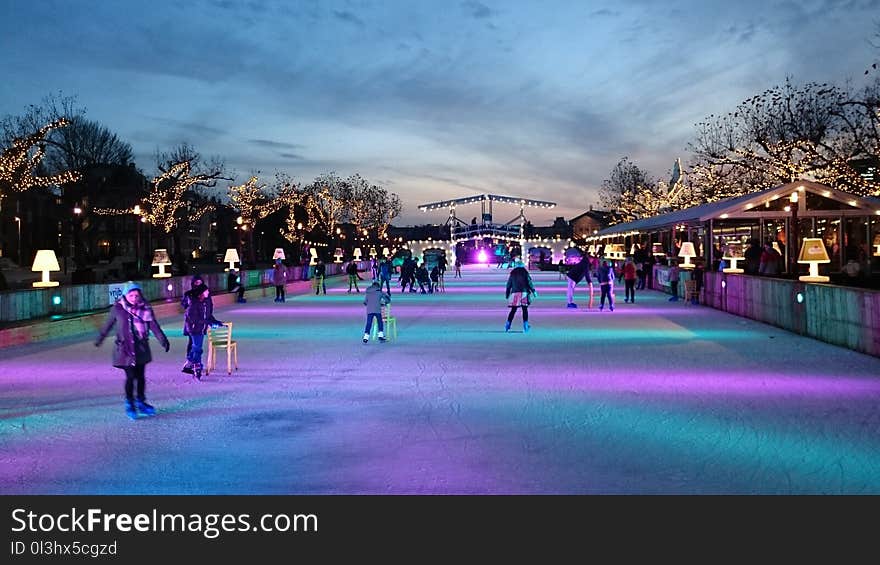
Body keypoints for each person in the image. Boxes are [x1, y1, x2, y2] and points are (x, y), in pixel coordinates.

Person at [95, 282, 170, 420]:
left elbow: (153, 325)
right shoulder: (118, 308)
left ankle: (141, 401)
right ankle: (130, 402)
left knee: (140, 377)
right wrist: (100, 338)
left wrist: (163, 340)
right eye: (131, 295)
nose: (134, 297)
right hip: (125, 350)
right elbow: (108, 325)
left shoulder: (146, 308)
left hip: (141, 348)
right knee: (131, 377)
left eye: (136, 295)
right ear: (126, 295)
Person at [182, 283, 224, 380]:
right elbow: (193, 318)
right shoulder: (194, 302)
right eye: (206, 291)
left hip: (201, 328)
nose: (208, 292)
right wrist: (209, 322)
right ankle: (197, 366)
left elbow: (208, 316)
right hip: (194, 328)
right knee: (197, 348)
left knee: (196, 347)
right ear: (201, 292)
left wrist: (216, 322)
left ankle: (189, 363)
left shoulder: (206, 302)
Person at [181, 273, 213, 370]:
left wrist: (209, 319)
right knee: (194, 343)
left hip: (202, 323)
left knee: (197, 344)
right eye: (196, 282)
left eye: (200, 282)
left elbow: (209, 307)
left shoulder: (206, 295)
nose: (198, 284)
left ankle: (192, 361)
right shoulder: (190, 295)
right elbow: (186, 307)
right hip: (193, 324)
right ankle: (192, 362)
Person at [505, 260, 536, 332]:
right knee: (524, 309)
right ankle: (525, 325)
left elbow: (509, 284)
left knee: (513, 310)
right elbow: (529, 282)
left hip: (515, 293)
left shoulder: (513, 273)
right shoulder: (525, 273)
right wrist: (533, 291)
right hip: (524, 293)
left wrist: (507, 293)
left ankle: (508, 324)